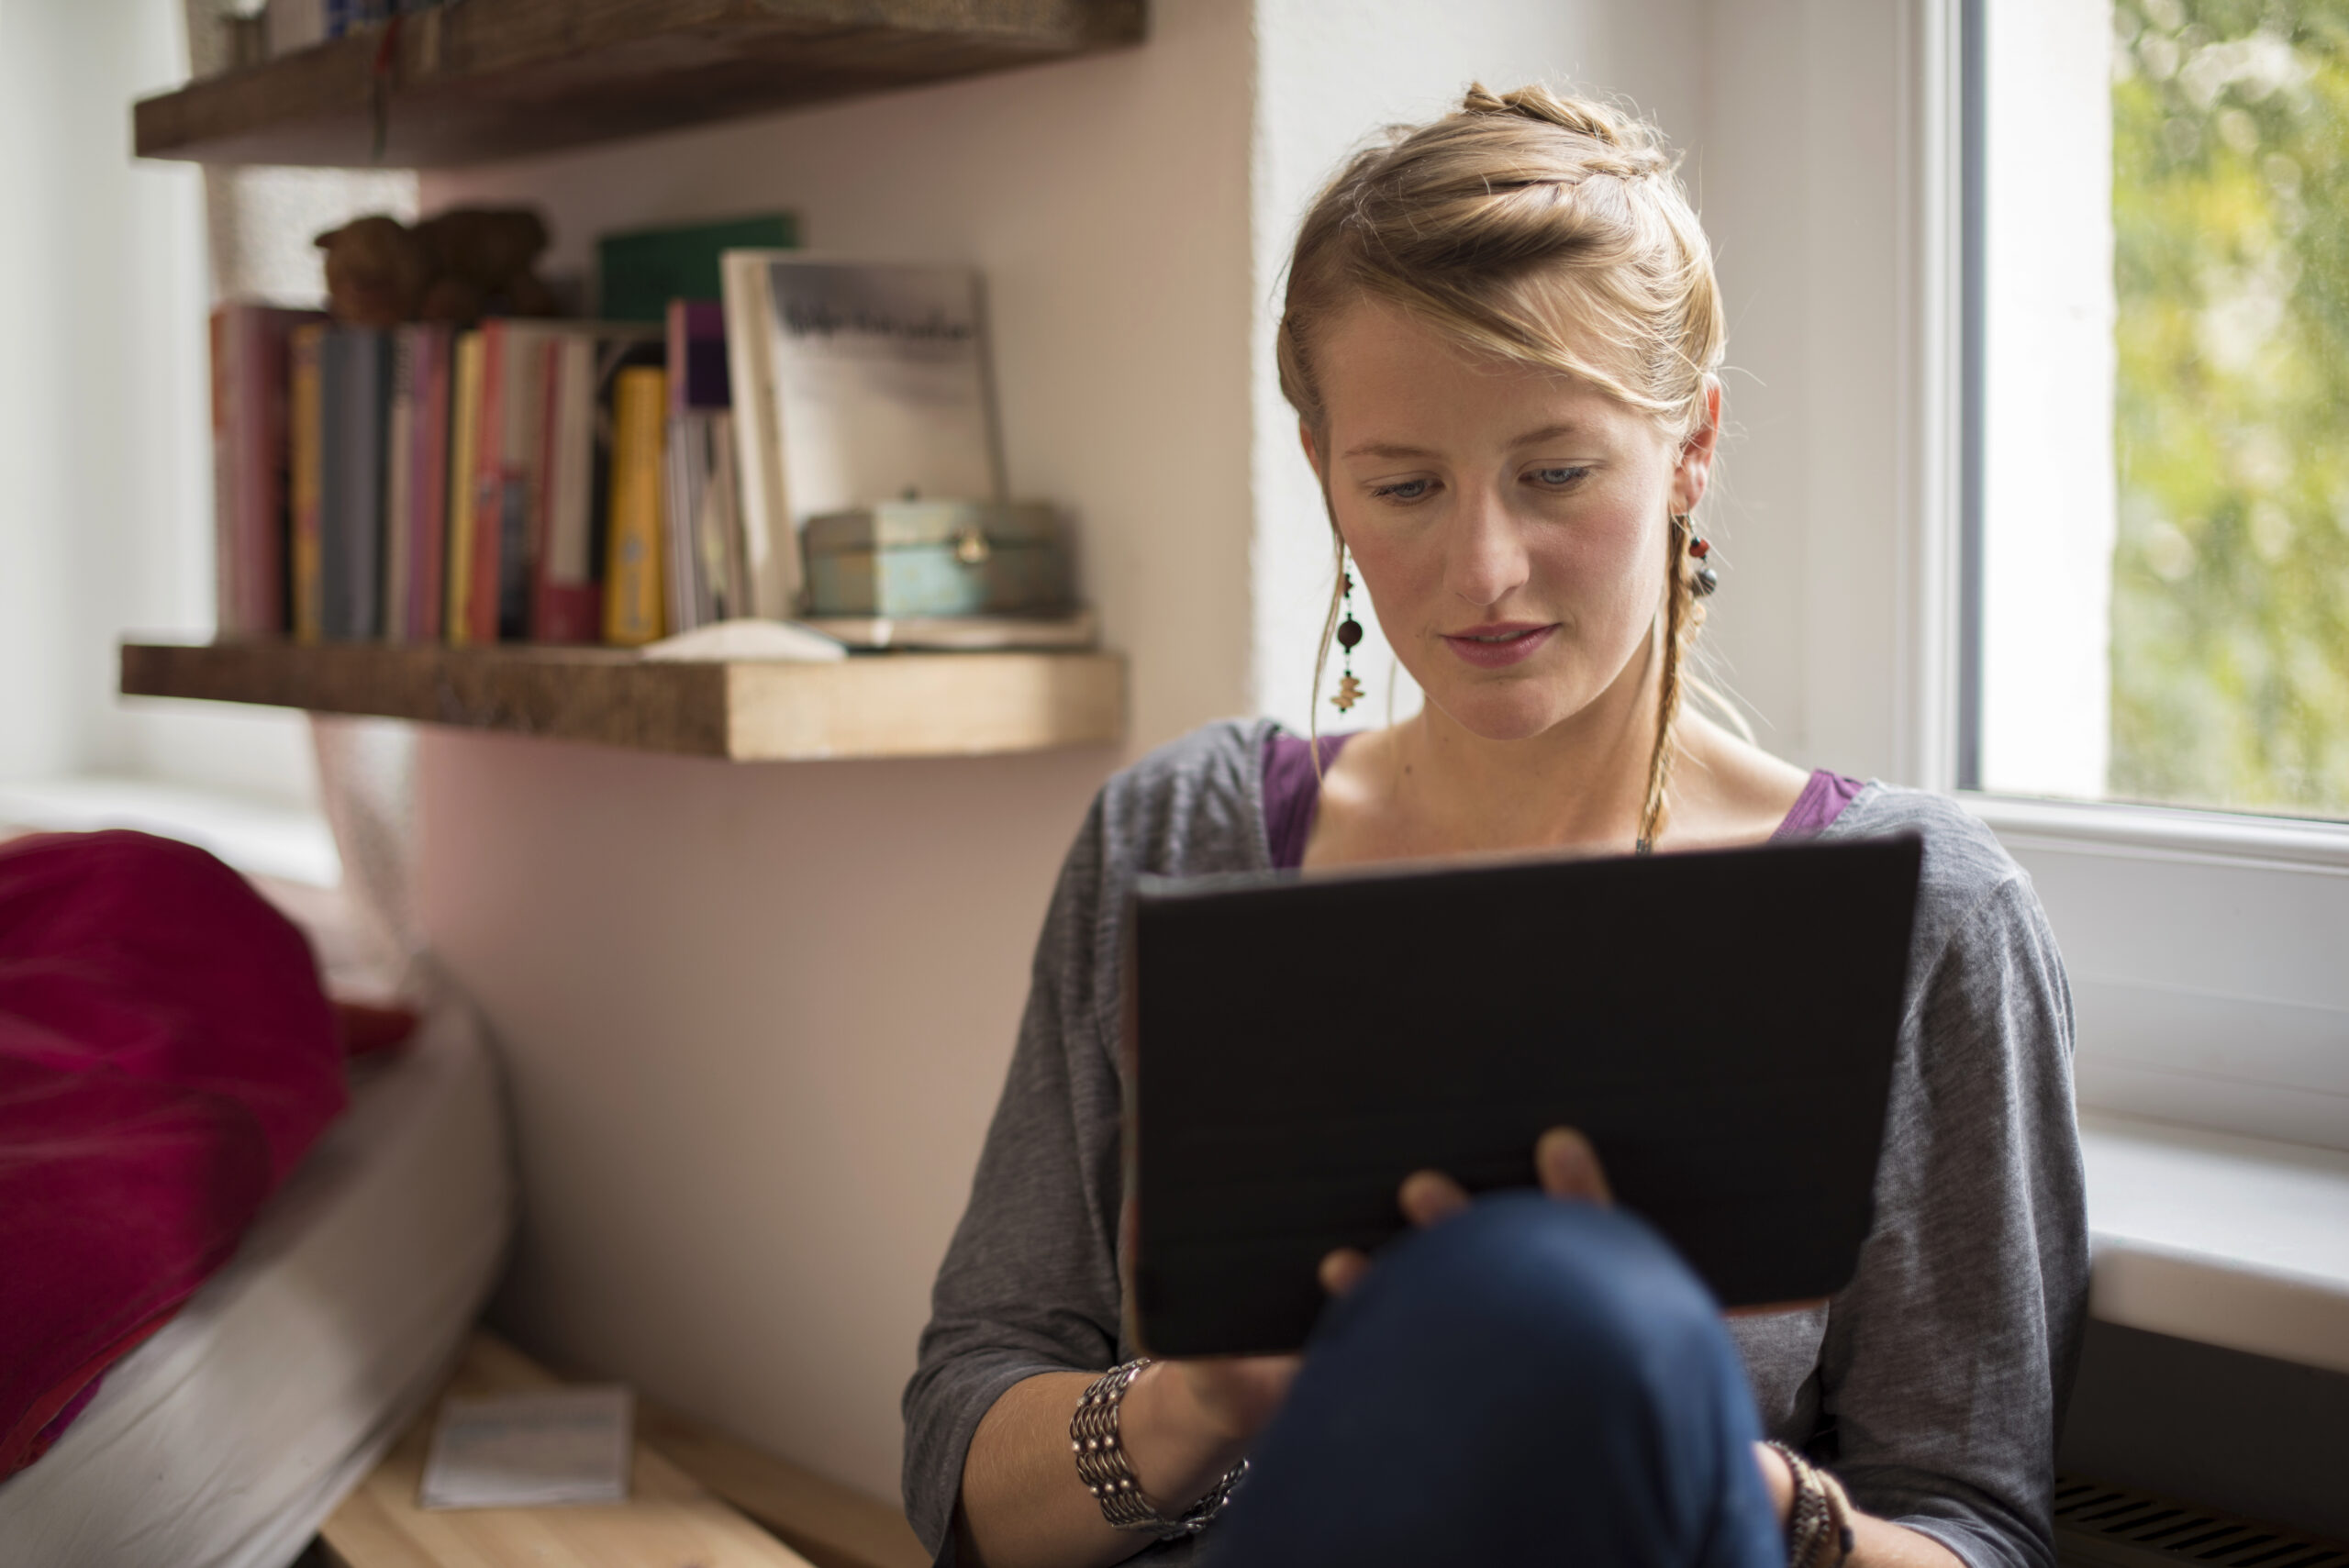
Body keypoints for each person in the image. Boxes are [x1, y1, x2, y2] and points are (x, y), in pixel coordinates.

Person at [902, 84, 2087, 1568]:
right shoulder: (1183, 835)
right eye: (1402, 485)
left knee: (1562, 1313)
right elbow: (960, 1457)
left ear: (1692, 446)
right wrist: (1211, 1398)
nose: (1484, 570)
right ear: (1327, 476)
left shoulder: (1924, 914)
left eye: (1557, 474)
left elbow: (1981, 1531)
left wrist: (1700, 1455)